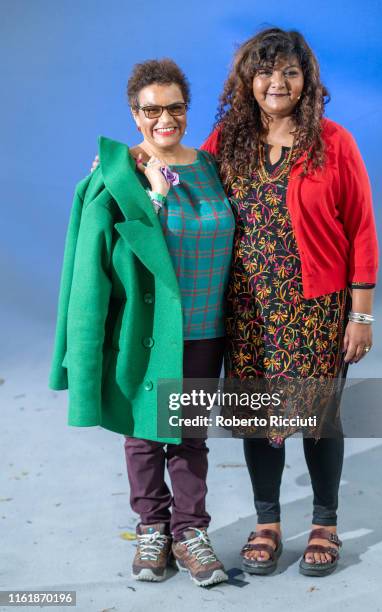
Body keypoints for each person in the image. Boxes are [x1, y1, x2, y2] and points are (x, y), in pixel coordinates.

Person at [49, 58, 235, 587]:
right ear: (134, 113)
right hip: (147, 329)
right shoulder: (118, 175)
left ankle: (190, 531)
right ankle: (153, 527)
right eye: (151, 110)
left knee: (191, 437)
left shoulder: (212, 164)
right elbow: (117, 250)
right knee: (144, 435)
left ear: (186, 109)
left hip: (203, 327)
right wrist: (152, 190)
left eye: (174, 107)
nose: (164, 119)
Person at [201, 27, 378, 577]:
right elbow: (180, 178)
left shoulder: (335, 142)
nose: (277, 82)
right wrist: (132, 167)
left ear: (307, 80)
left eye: (290, 72)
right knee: (259, 417)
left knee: (319, 417)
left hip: (316, 307)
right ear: (247, 79)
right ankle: (268, 521)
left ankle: (325, 522)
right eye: (265, 71)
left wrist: (362, 312)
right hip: (248, 310)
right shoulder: (226, 141)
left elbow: (363, 229)